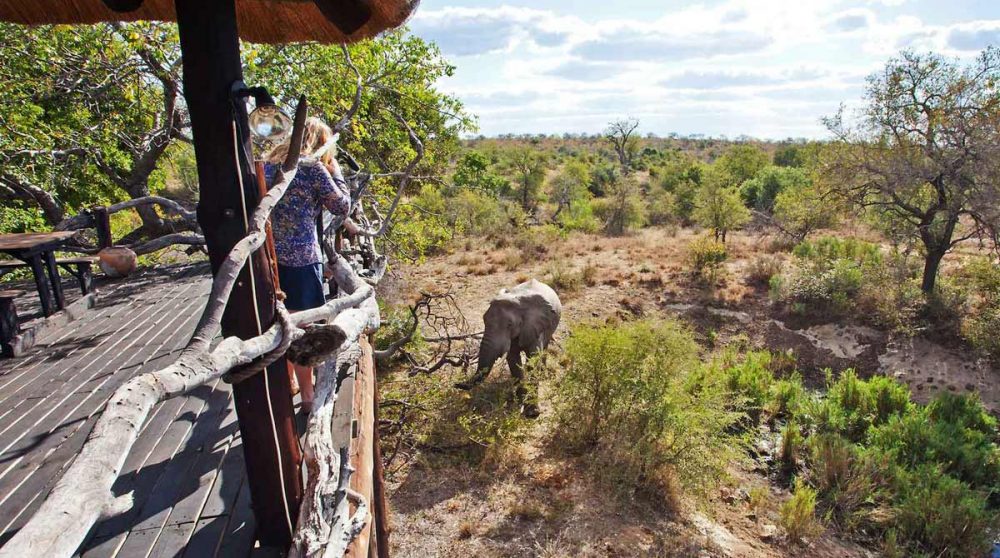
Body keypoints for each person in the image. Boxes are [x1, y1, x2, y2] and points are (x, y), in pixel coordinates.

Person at [263, 117, 351, 413]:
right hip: (302, 260)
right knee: (304, 327)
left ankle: (288, 384)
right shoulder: (311, 168)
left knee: (281, 324)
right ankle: (310, 397)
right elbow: (341, 206)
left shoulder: (267, 166)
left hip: (268, 259)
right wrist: (336, 172)